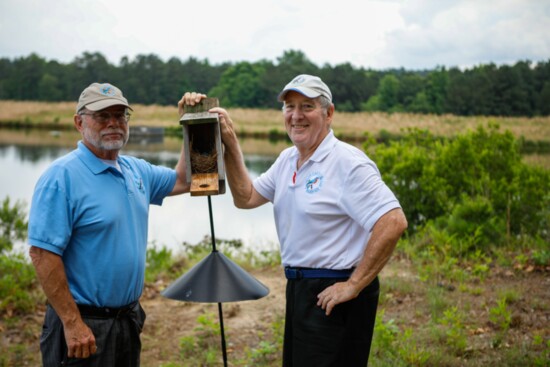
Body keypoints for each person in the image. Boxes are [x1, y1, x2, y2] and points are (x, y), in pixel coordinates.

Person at [183, 74, 408, 366]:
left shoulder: (348, 163)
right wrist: (230, 141)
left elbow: (393, 221)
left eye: (307, 106)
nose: (296, 116)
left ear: (329, 114)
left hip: (334, 293)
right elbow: (246, 197)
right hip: (300, 289)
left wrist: (354, 284)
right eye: (290, 107)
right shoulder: (288, 159)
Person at [28, 82, 201, 366]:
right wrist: (72, 324)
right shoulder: (61, 176)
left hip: (127, 320)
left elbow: (185, 180)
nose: (113, 123)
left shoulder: (137, 170)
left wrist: (190, 122)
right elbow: (42, 254)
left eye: (120, 115)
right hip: (84, 326)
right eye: (102, 116)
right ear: (78, 122)